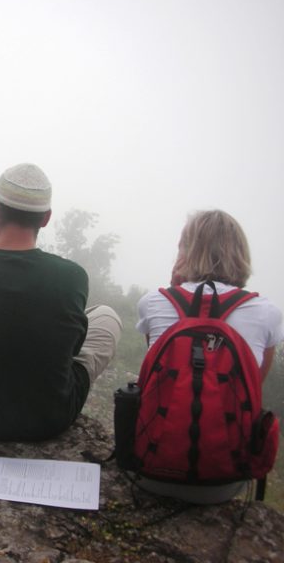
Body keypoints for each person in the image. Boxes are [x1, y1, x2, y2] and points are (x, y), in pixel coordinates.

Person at [0, 163, 122, 441]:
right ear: (46, 218)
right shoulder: (72, 276)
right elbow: (74, 347)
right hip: (51, 419)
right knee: (106, 315)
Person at [135, 209, 283, 503]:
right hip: (226, 483)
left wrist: (175, 286)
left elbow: (152, 377)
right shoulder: (267, 313)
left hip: (150, 473)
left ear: (187, 252)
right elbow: (254, 383)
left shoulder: (153, 302)